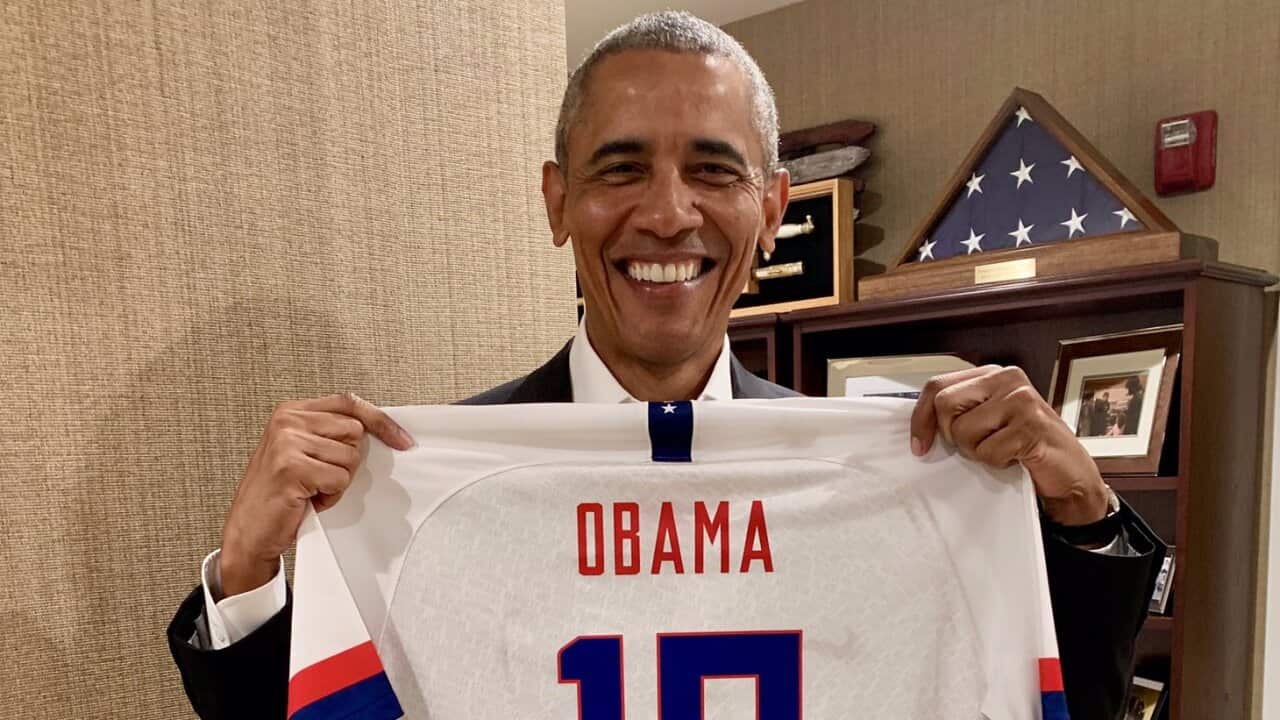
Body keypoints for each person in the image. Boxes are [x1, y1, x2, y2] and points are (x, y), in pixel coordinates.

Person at [166, 11, 1163, 720]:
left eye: (713, 171)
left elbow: (1062, 701)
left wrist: (1080, 511)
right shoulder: (425, 497)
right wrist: (248, 577)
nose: (668, 213)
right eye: (621, 168)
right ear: (557, 201)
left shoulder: (881, 482)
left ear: (771, 210)